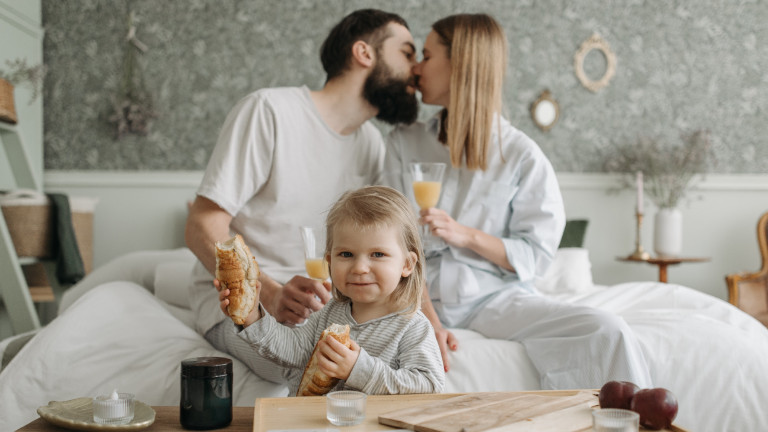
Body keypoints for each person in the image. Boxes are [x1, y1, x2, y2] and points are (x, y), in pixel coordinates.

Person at [384, 13, 652, 389]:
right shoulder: (403, 143)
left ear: (459, 63)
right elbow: (391, 245)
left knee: (608, 331)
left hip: (490, 300)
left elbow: (536, 254)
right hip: (417, 298)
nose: (416, 68)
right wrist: (428, 320)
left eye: (426, 56)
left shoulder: (521, 155)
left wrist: (467, 236)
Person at [185, 9, 419, 362]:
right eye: (407, 52)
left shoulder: (371, 143)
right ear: (364, 53)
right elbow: (201, 224)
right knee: (304, 358)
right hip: (244, 301)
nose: (415, 68)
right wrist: (269, 294)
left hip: (323, 307)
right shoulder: (269, 111)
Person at [216, 186, 445, 395]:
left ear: (407, 264)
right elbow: (291, 350)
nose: (360, 268)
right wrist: (252, 316)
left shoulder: (412, 327)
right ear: (329, 261)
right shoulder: (328, 313)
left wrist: (358, 369)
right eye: (346, 254)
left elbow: (429, 385)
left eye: (378, 254)